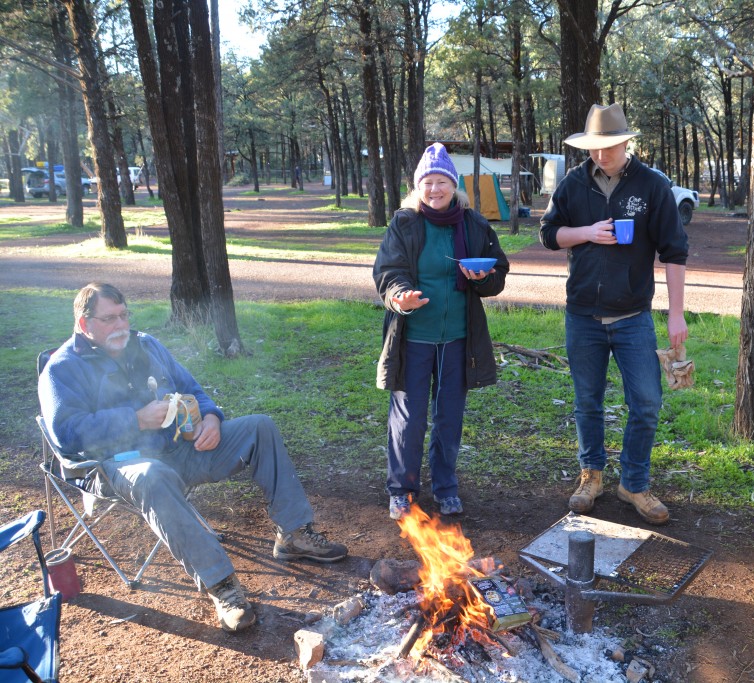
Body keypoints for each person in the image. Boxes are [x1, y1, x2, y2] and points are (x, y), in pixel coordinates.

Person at [38, 283, 349, 632]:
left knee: (260, 427)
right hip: (116, 465)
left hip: (178, 449)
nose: (121, 325)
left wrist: (213, 418)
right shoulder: (61, 369)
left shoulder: (146, 345)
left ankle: (294, 534)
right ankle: (222, 586)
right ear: (85, 324)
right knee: (153, 475)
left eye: (124, 315)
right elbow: (65, 434)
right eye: (109, 319)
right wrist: (136, 418)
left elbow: (194, 390)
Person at [539, 103, 689, 526]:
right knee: (588, 401)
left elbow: (674, 251)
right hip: (582, 315)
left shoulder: (652, 186)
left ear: (626, 142)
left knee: (646, 401)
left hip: (632, 317)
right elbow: (549, 235)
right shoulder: (572, 184)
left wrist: (676, 314)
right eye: (594, 148)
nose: (600, 155)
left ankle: (634, 483)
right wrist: (586, 234)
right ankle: (592, 476)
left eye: (608, 147)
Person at [373, 142, 508, 521]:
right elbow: (387, 272)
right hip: (414, 337)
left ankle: (446, 487)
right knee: (409, 417)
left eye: (441, 182)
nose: (435, 190)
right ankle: (402, 490)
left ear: (454, 185)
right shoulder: (405, 223)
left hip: (459, 340)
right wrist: (400, 296)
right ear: (419, 187)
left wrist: (483, 277)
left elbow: (498, 275)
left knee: (449, 416)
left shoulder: (474, 224)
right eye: (428, 183)